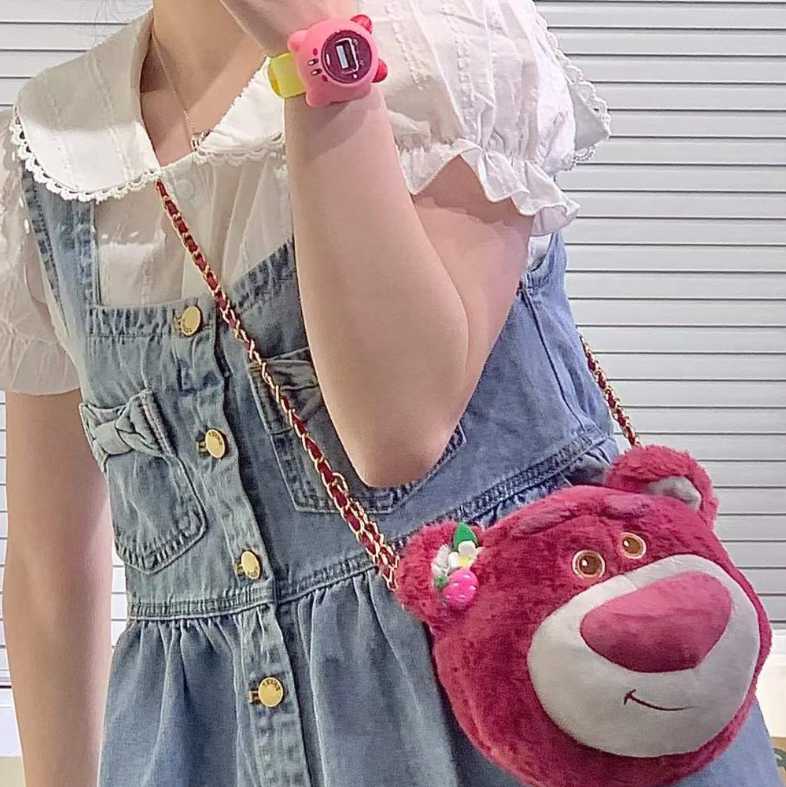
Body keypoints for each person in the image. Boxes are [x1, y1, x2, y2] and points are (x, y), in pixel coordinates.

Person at [0, 1, 779, 786]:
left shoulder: (439, 39)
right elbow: (47, 567)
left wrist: (319, 57)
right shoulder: (55, 145)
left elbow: (398, 433)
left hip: (540, 713)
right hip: (207, 742)